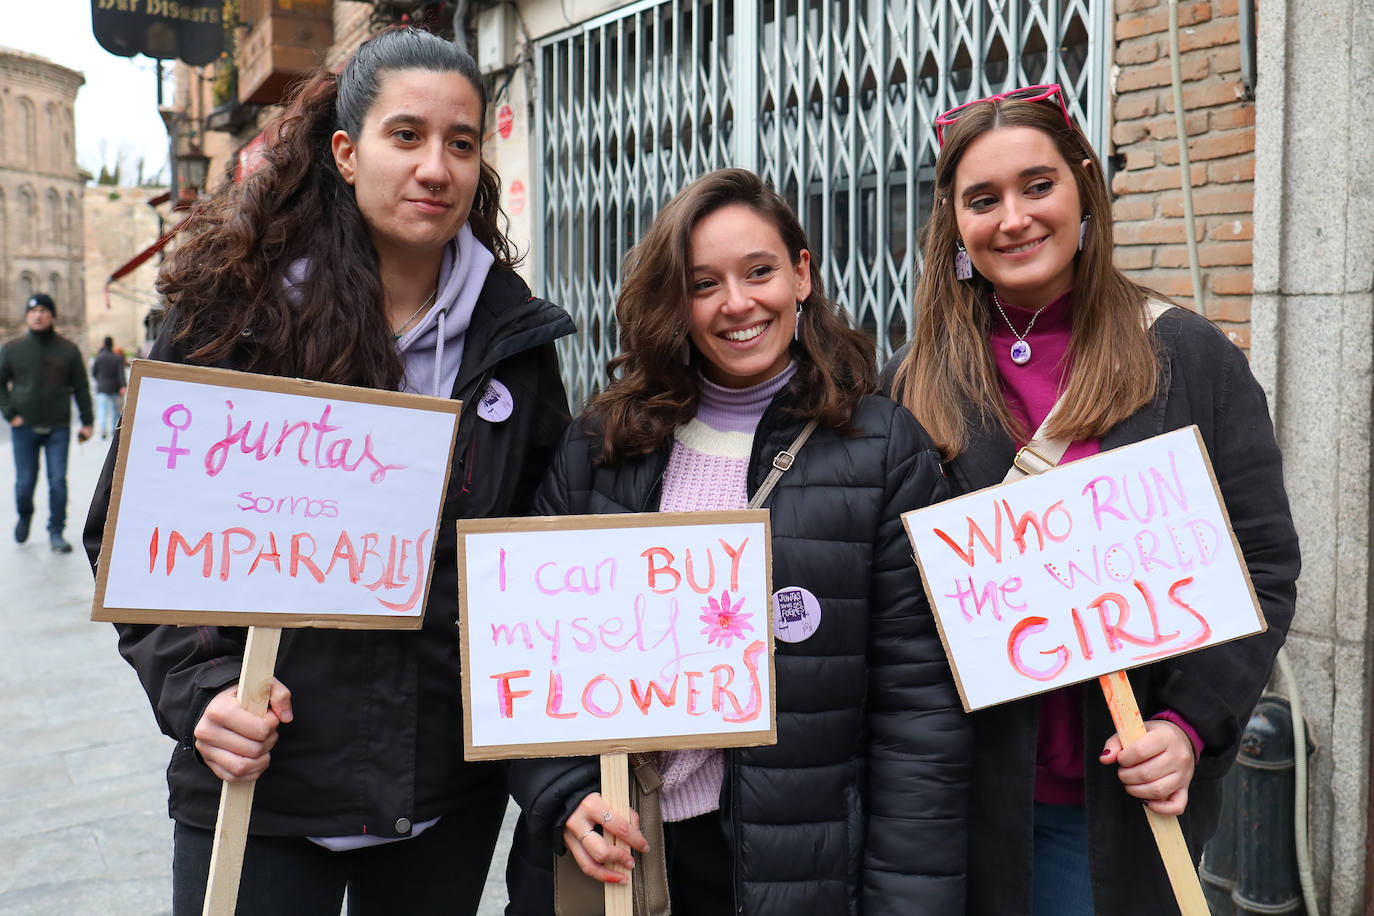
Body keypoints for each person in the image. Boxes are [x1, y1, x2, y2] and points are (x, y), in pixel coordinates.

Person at [82, 27, 574, 916]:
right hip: (258, 790)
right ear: (346, 153)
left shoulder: (517, 346)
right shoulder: (236, 317)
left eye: (462, 143)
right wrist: (203, 695)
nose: (436, 167)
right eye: (407, 136)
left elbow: (539, 566)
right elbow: (129, 528)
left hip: (440, 797)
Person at [882, 84, 1300, 916]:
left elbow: (1261, 561)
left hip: (1111, 808)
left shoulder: (1186, 354)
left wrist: (1189, 728)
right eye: (982, 199)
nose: (1014, 218)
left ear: (1082, 189)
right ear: (954, 225)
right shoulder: (911, 381)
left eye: (1038, 186)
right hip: (956, 807)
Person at [505, 168, 970, 915]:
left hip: (792, 866)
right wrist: (561, 796)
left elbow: (918, 712)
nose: (738, 303)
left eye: (759, 272)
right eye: (703, 283)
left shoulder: (884, 450)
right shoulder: (602, 444)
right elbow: (522, 656)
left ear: (802, 275)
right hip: (619, 850)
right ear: (676, 302)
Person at [0, 292, 94, 552]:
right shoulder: (12, 349)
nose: (38, 315)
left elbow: (81, 387)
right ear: (27, 316)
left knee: (57, 482)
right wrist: (10, 414)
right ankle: (25, 514)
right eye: (33, 311)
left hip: (58, 428)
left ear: (52, 315)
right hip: (24, 428)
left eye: (43, 310)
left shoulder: (68, 350)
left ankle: (56, 531)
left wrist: (87, 421)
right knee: (25, 483)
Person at [90, 335, 127, 439]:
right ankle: (112, 430)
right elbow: (121, 373)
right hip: (115, 387)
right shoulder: (117, 358)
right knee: (115, 410)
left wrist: (99, 380)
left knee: (102, 410)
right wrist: (123, 386)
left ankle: (103, 430)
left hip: (101, 387)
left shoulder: (98, 357)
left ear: (103, 344)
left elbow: (93, 372)